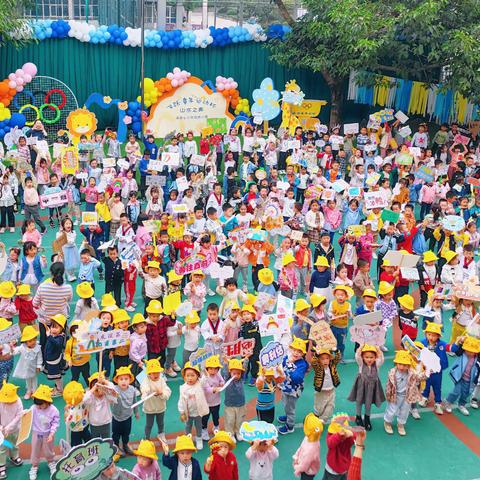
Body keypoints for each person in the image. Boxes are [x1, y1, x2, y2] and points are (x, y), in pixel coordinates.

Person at [348, 344, 385, 431]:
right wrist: (360, 347)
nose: (369, 359)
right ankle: (358, 416)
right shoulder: (361, 364)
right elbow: (357, 356)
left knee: (368, 402)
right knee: (359, 400)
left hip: (372, 386)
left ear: (375, 357)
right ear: (363, 357)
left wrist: (378, 349)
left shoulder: (377, 364)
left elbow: (381, 358)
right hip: (361, 385)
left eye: (371, 357)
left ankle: (367, 418)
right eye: (366, 357)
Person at [29, 385, 60, 480]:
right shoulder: (34, 408)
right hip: (36, 433)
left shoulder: (54, 410)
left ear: (47, 401)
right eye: (37, 404)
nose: (38, 407)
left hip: (48, 435)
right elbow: (28, 416)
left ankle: (51, 462)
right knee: (35, 450)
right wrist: (24, 414)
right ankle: (34, 466)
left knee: (49, 450)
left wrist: (52, 433)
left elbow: (55, 423)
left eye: (41, 404)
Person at [0, 381, 23, 479]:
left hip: (15, 429)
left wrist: (9, 426)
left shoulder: (18, 401)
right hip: (2, 431)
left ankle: (14, 456)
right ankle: (1, 464)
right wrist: (1, 426)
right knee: (2, 447)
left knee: (14, 444)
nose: (8, 402)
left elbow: (19, 415)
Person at [292, 413, 323, 480]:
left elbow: (304, 466)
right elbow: (301, 447)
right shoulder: (310, 437)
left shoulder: (311, 449)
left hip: (308, 471)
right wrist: (296, 456)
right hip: (307, 466)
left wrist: (297, 468)